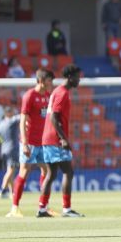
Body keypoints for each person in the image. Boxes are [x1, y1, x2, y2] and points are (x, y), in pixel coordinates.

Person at [38, 64, 84, 218]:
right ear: (70, 77)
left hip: (48, 138)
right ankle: (67, 208)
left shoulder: (58, 91)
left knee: (51, 174)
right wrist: (63, 138)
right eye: (77, 77)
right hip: (55, 139)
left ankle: (42, 208)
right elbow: (53, 117)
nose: (79, 80)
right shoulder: (62, 93)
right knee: (68, 172)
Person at [7, 68, 53, 218]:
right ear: (40, 81)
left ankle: (43, 206)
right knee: (24, 171)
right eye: (48, 81)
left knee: (47, 172)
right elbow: (23, 121)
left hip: (44, 143)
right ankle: (15, 207)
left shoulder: (48, 96)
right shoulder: (29, 96)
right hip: (30, 143)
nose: (50, 83)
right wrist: (25, 143)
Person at [0, 106, 21, 199]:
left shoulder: (1, 124)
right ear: (9, 113)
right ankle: (2, 190)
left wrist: (1, 143)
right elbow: (22, 116)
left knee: (10, 172)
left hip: (4, 150)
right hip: (12, 149)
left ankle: (12, 192)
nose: (13, 113)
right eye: (12, 112)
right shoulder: (12, 120)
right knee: (11, 171)